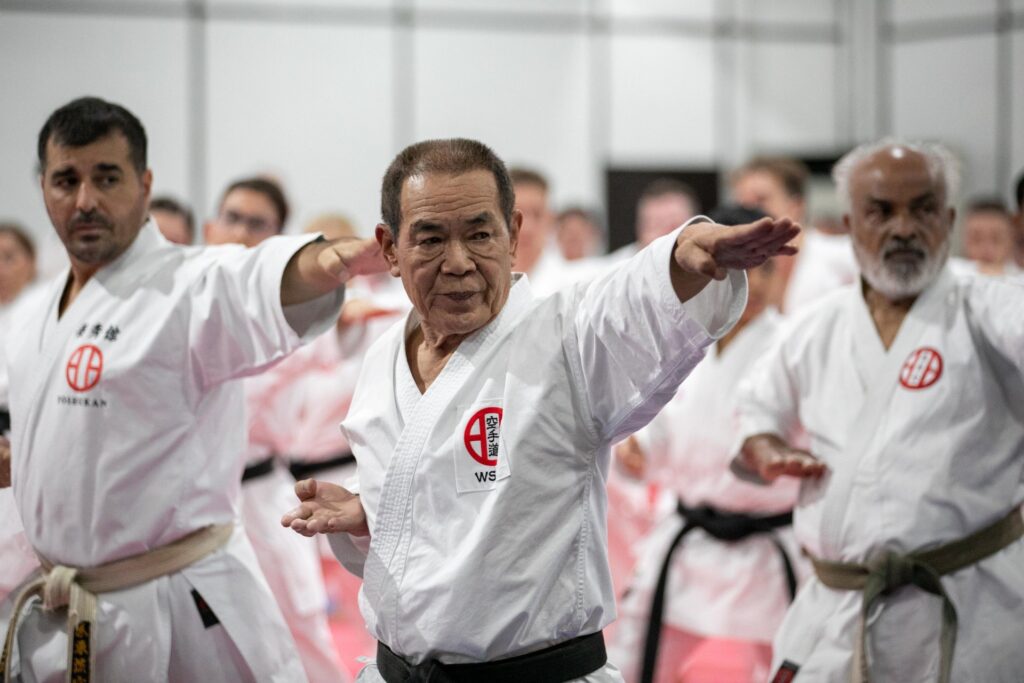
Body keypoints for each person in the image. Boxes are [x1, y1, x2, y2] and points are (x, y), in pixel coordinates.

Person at [281, 137, 799, 682]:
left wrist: (681, 259)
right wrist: (370, 510)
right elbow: (436, 501)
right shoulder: (384, 357)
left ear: (512, 235)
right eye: (430, 239)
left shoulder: (563, 339)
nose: (458, 263)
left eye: (480, 234)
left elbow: (625, 303)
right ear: (389, 248)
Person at [0, 96, 382, 682]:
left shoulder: (188, 285)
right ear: (44, 188)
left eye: (107, 177)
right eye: (66, 180)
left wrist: (329, 260)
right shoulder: (35, 316)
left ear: (144, 184)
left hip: (171, 603)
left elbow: (254, 280)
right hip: (70, 601)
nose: (85, 200)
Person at [733, 139, 1024, 682]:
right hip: (838, 610)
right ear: (850, 223)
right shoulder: (816, 325)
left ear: (949, 220)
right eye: (881, 211)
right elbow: (757, 405)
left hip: (971, 609)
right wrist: (764, 444)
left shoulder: (988, 305)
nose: (904, 228)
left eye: (923, 210)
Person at [609, 206, 804, 683]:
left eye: (765, 271)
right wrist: (640, 449)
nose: (754, 285)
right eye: (743, 270)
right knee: (639, 662)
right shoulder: (685, 341)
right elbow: (660, 428)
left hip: (761, 560)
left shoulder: (795, 347)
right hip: (686, 549)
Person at [204, 177, 349, 682]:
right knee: (212, 645)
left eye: (257, 224)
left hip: (263, 494)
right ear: (211, 227)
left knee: (300, 633)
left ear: (278, 240)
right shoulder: (187, 310)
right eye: (232, 218)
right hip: (201, 502)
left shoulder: (296, 312)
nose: (240, 232)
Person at [731, 156, 857, 313]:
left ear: (795, 207)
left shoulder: (845, 257)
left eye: (761, 200)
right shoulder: (737, 273)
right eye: (741, 203)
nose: (747, 212)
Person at [0, 223, 40, 603]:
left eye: (9, 257)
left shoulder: (43, 308)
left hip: (24, 442)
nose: (0, 268)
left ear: (31, 262)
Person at [606, 179, 699, 265]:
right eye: (657, 226)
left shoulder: (706, 269)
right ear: (640, 230)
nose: (667, 237)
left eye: (674, 226)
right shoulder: (611, 270)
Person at [954, 198, 1020, 277]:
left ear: (1011, 240)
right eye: (976, 240)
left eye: (996, 239)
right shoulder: (952, 273)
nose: (986, 249)